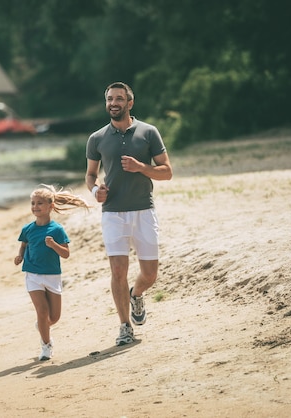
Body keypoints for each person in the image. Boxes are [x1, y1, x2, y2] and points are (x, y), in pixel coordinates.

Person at [85, 82, 173, 346]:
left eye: (119, 99)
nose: (114, 103)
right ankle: (124, 326)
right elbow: (90, 175)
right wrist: (94, 192)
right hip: (113, 214)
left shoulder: (149, 132)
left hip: (144, 211)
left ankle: (136, 294)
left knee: (150, 274)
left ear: (130, 103)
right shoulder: (97, 138)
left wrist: (141, 167)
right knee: (118, 270)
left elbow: (167, 171)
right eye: (110, 99)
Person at [14, 184, 91, 360]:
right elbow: (24, 244)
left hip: (52, 276)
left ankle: (43, 326)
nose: (35, 207)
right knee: (42, 311)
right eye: (33, 203)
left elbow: (66, 254)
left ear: (51, 206)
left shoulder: (57, 230)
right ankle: (46, 345)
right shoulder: (27, 229)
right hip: (32, 275)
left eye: (39, 203)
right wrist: (20, 257)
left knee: (54, 317)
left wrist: (54, 245)